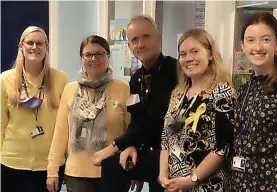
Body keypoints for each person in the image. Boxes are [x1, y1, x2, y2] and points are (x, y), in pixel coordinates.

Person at [93, 15, 177, 192]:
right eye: (134, 40)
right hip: (150, 152)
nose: (140, 44)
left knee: (110, 160)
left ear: (158, 39)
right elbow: (136, 119)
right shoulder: (137, 78)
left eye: (146, 36)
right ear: (129, 46)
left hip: (173, 154)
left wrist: (116, 146)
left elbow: (155, 117)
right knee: (115, 164)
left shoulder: (175, 71)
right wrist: (131, 147)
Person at [228, 12, 277, 192]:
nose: (258, 47)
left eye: (266, 40)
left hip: (271, 185)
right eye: (251, 40)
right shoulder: (246, 88)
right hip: (241, 183)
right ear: (242, 45)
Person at [46, 35, 130, 192]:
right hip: (77, 174)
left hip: (114, 171)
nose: (94, 59)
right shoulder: (70, 90)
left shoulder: (123, 88)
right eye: (88, 54)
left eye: (100, 54)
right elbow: (60, 133)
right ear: (81, 58)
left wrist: (134, 168)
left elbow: (130, 131)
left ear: (108, 56)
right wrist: (52, 170)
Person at [159, 28, 235, 192]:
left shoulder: (222, 93)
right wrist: (163, 174)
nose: (189, 58)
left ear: (210, 54)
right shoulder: (178, 93)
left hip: (208, 185)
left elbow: (223, 147)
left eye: (195, 51)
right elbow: (166, 137)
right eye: (183, 54)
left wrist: (192, 179)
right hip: (174, 186)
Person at [0, 26, 68, 192]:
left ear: (46, 47)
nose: (34, 47)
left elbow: (66, 125)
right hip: (11, 162)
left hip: (48, 166)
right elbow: (1, 123)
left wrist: (62, 159)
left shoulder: (60, 79)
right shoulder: (5, 79)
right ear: (21, 46)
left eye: (40, 43)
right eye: (30, 43)